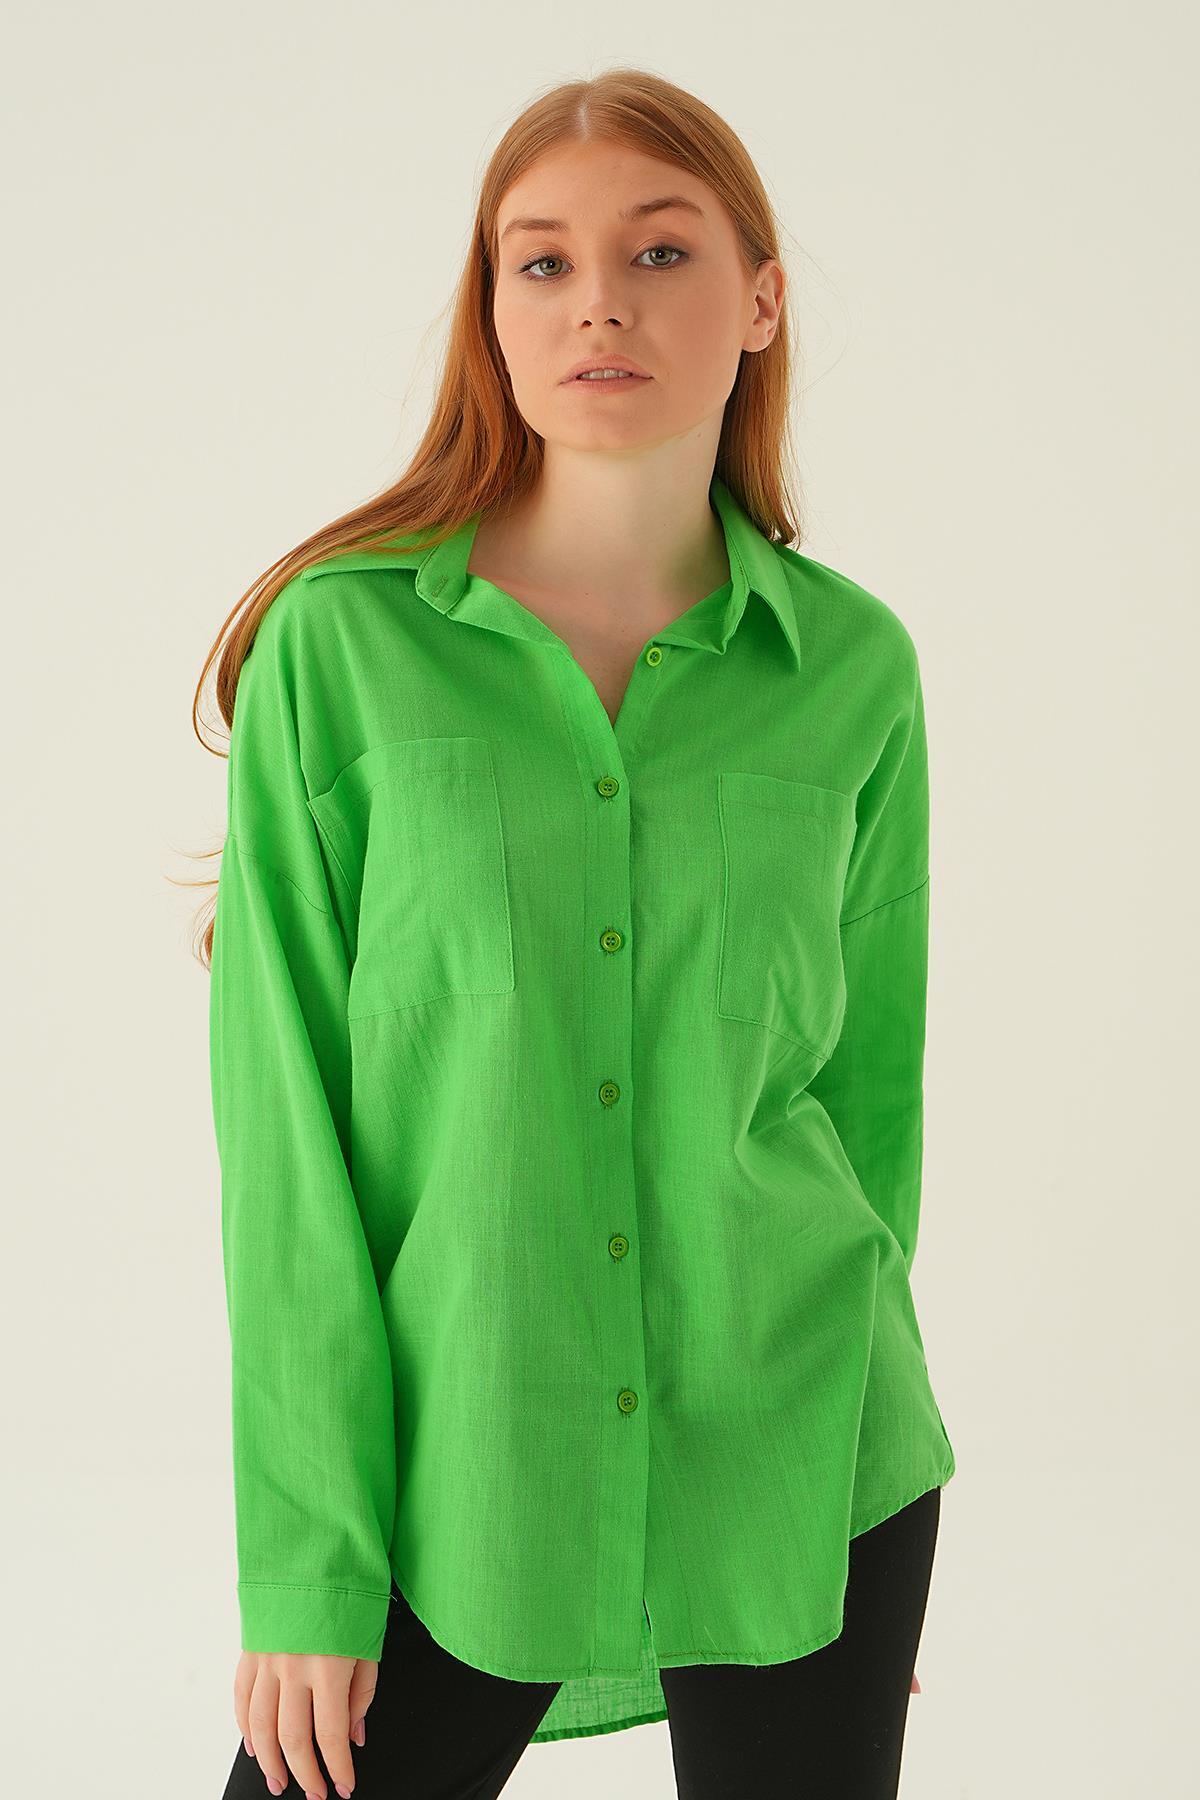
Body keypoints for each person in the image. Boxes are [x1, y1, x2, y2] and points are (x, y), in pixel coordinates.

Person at [197, 65, 956, 1800]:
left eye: (661, 251)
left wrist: (850, 1510)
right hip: (456, 1465)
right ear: (492, 313)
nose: (597, 299)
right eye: (540, 262)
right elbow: (286, 1147)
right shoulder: (344, 650)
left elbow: (868, 1105)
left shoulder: (854, 670)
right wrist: (308, 1564)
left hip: (803, 1454)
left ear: (760, 301)